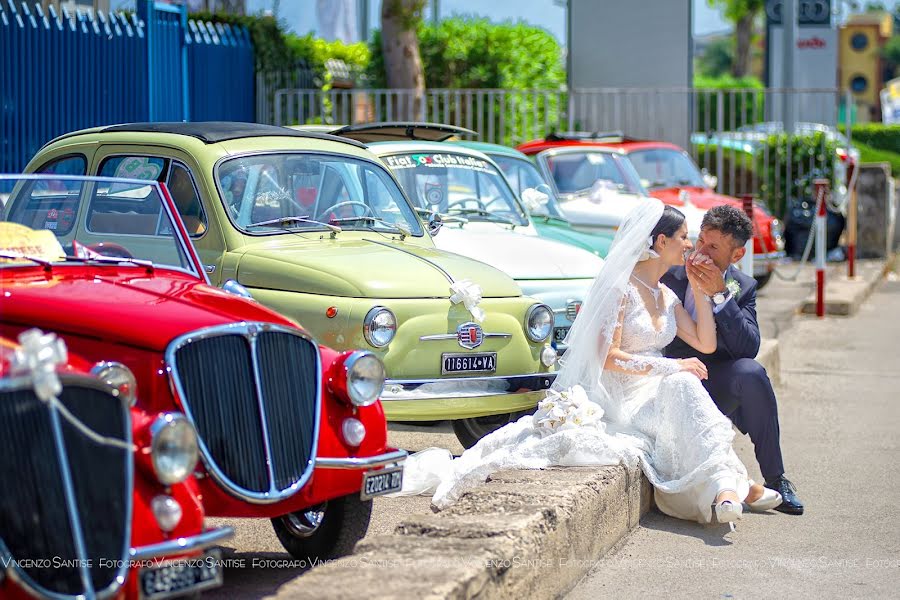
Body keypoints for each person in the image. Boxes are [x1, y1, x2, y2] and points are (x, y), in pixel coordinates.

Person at [399, 200, 782, 529]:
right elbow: (609, 359)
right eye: (684, 237)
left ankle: (726, 485)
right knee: (681, 382)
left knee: (682, 386)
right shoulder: (621, 289)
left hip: (656, 389)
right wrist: (671, 367)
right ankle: (737, 484)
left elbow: (705, 341)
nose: (690, 245)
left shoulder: (666, 294)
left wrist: (702, 290)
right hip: (623, 395)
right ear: (661, 241)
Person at [661, 205, 804, 515]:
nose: (701, 252)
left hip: (716, 384)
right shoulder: (668, 275)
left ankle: (776, 480)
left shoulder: (743, 286)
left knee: (752, 372)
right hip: (671, 380)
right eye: (701, 242)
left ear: (736, 256)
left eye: (713, 247)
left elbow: (748, 346)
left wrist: (721, 295)